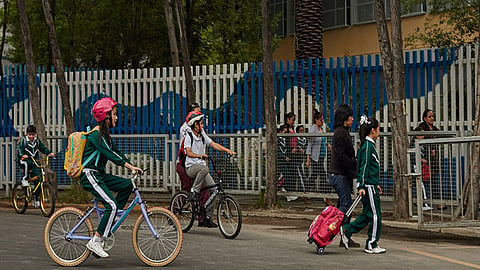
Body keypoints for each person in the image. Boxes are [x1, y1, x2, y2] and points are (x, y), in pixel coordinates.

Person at [80, 97, 143, 258]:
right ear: (106, 116)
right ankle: (95, 241)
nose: (116, 117)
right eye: (114, 114)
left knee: (127, 185)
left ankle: (112, 218)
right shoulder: (96, 135)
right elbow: (110, 155)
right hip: (89, 174)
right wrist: (128, 166)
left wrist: (132, 166)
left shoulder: (105, 135)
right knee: (112, 204)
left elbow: (117, 152)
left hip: (99, 175)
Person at [341, 115, 385, 254]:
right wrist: (361, 186)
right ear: (372, 130)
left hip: (371, 185)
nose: (379, 132)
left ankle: (347, 231)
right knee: (376, 215)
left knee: (367, 215)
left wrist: (373, 183)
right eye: (378, 129)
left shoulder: (368, 146)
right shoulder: (367, 147)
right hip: (368, 187)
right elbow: (364, 167)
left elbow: (368, 169)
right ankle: (371, 243)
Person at [184, 111, 236, 228]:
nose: (202, 126)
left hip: (202, 169)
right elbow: (188, 152)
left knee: (214, 190)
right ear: (195, 125)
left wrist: (227, 150)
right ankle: (194, 192)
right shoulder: (189, 136)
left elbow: (214, 144)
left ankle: (207, 217)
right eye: (201, 124)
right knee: (204, 168)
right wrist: (199, 156)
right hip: (191, 168)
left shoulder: (202, 135)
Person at [328, 104, 360, 248]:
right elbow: (341, 156)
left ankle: (344, 237)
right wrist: (354, 165)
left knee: (344, 204)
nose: (352, 119)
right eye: (350, 116)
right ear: (344, 118)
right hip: (339, 174)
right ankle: (329, 227)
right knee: (346, 205)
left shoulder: (342, 131)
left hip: (341, 174)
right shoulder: (341, 133)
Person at [16, 125, 55, 207]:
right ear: (27, 134)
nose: (31, 136)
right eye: (29, 134)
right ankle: (24, 179)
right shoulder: (23, 140)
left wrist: (49, 153)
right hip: (24, 160)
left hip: (34, 161)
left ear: (35, 134)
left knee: (39, 179)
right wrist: (22, 155)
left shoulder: (37, 141)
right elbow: (19, 149)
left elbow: (42, 148)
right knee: (26, 164)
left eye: (33, 134)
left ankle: (36, 198)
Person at [416, 109, 444, 210]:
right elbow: (416, 143)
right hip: (425, 161)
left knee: (436, 182)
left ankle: (439, 202)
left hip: (434, 161)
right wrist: (421, 158)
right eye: (429, 116)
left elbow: (442, 136)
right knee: (425, 183)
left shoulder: (435, 129)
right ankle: (425, 202)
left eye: (432, 116)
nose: (432, 118)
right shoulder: (421, 128)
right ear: (424, 118)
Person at [305, 110, 332, 206]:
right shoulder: (313, 130)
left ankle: (305, 192)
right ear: (316, 120)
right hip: (315, 157)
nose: (322, 122)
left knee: (314, 176)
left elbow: (322, 140)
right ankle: (326, 197)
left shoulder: (321, 129)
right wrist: (308, 159)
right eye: (320, 120)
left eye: (323, 120)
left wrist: (327, 145)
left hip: (321, 156)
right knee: (323, 176)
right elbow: (310, 144)